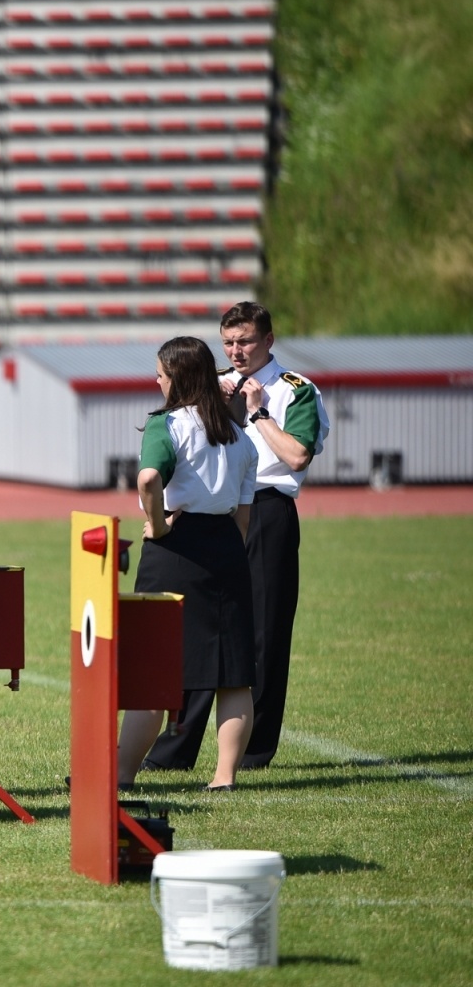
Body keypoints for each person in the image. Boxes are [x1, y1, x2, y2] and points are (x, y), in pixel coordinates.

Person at [143, 302, 329, 772]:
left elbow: (297, 456)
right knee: (193, 635)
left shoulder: (296, 390)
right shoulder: (212, 384)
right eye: (228, 342)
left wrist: (259, 413)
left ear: (268, 339)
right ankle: (174, 752)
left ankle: (251, 753)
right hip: (213, 515)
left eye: (244, 340)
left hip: (267, 511)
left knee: (262, 634)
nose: (236, 351)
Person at [119, 337, 260, 791]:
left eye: (160, 373)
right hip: (226, 551)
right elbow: (242, 517)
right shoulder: (241, 436)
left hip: (173, 552)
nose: (155, 380)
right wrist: (225, 554)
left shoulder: (166, 425)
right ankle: (224, 777)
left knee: (151, 673)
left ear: (175, 379)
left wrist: (158, 527)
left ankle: (121, 775)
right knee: (233, 675)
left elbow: (147, 479)